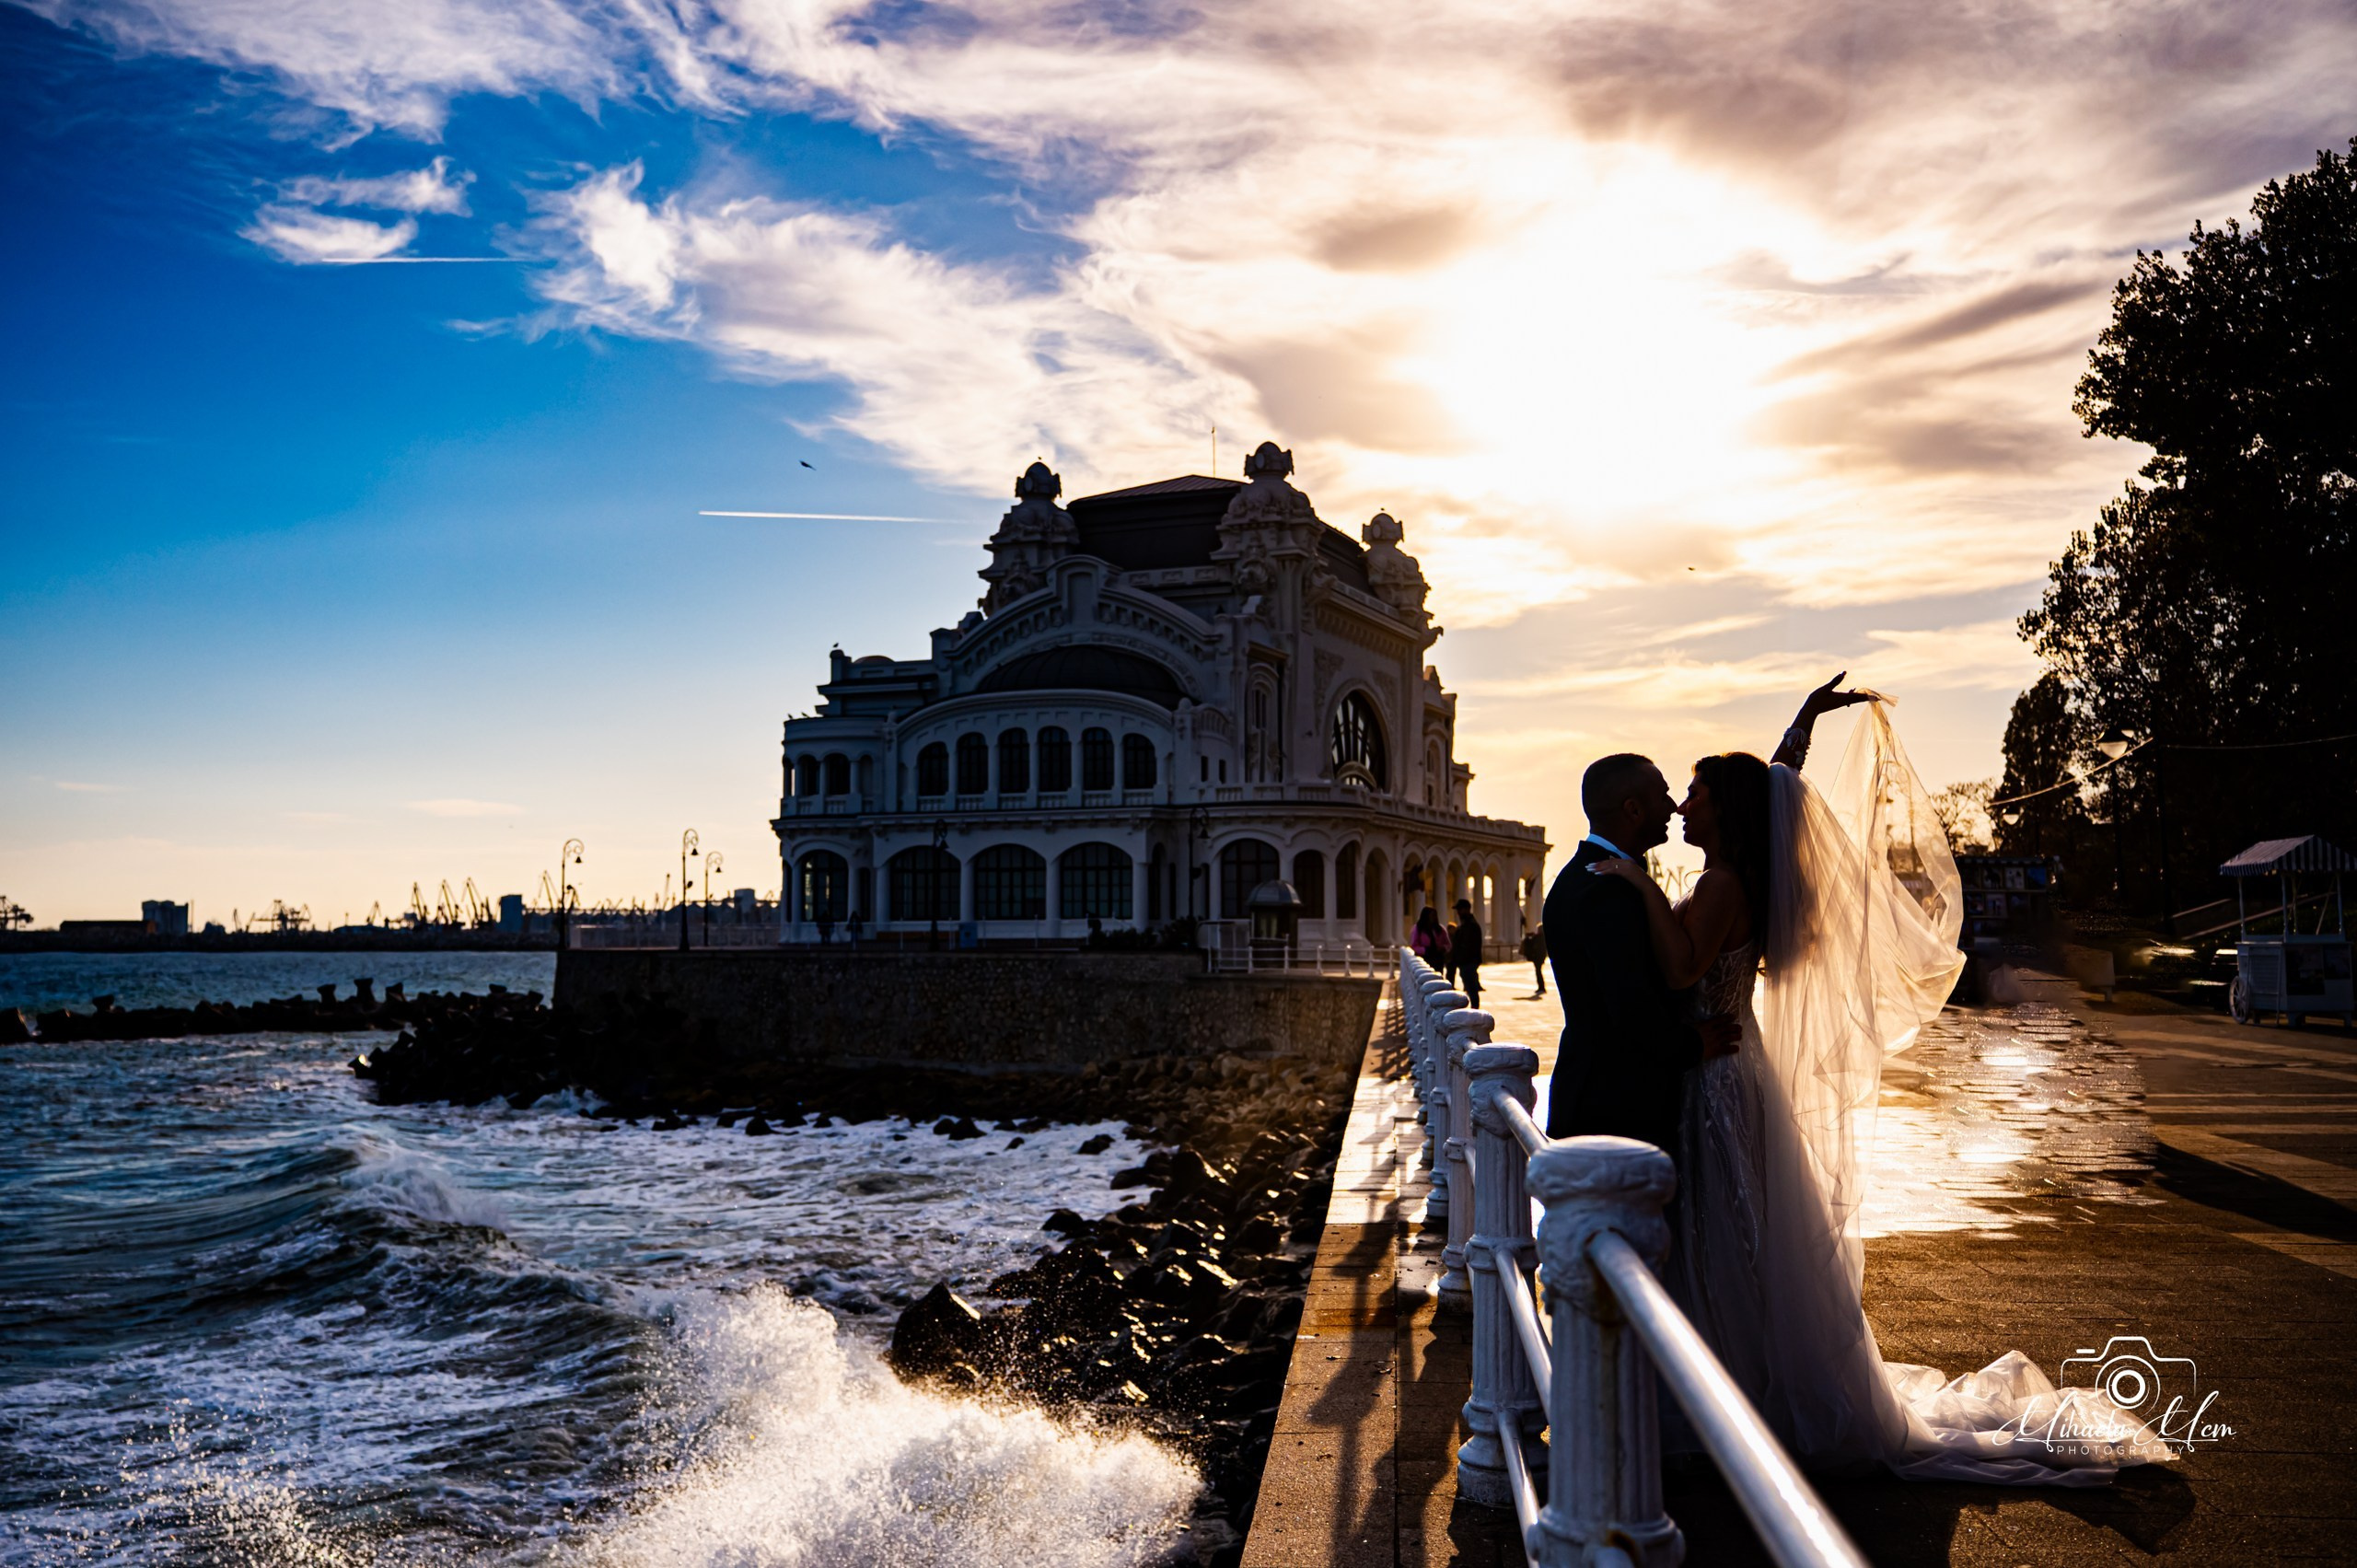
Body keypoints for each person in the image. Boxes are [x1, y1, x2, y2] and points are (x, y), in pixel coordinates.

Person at [1587, 674, 2173, 1484]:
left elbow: (1686, 965)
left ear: (1724, 811)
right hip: (1726, 1064)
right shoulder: (1742, 870)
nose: (1683, 807)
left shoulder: (1721, 884)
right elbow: (1775, 786)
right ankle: (1723, 1382)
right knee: (1733, 1231)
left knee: (1726, 1232)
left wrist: (1639, 887)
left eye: (1695, 796)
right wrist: (1803, 723)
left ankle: (1727, 1390)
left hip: (1717, 1077)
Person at [1541, 752, 1740, 1153]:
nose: (1673, 807)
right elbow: (1631, 1007)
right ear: (1633, 810)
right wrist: (1693, 1046)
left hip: (1603, 1101)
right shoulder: (1606, 890)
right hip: (1615, 1112)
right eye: (1663, 795)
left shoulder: (1590, 875)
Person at [1450, 898, 1484, 1006]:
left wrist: (1459, 958)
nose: (1458, 912)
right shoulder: (1466, 925)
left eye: (1460, 909)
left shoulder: (1470, 926)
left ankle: (1475, 1010)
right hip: (1466, 962)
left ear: (1467, 909)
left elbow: (1468, 945)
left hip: (1468, 961)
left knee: (1471, 989)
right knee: (1470, 988)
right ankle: (1474, 1009)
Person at [1411, 905, 1451, 969]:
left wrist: (1443, 948)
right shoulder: (1418, 929)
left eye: (1435, 915)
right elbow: (1414, 946)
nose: (1434, 918)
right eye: (1432, 915)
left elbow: (1448, 944)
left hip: (1438, 959)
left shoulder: (1440, 929)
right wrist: (1425, 950)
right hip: (1424, 959)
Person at [1519, 923, 1547, 996]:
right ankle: (1541, 987)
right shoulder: (1543, 937)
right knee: (1538, 971)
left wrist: (1529, 937)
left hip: (1537, 957)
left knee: (1538, 972)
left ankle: (1541, 987)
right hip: (1541, 957)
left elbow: (1532, 944)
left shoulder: (1539, 938)